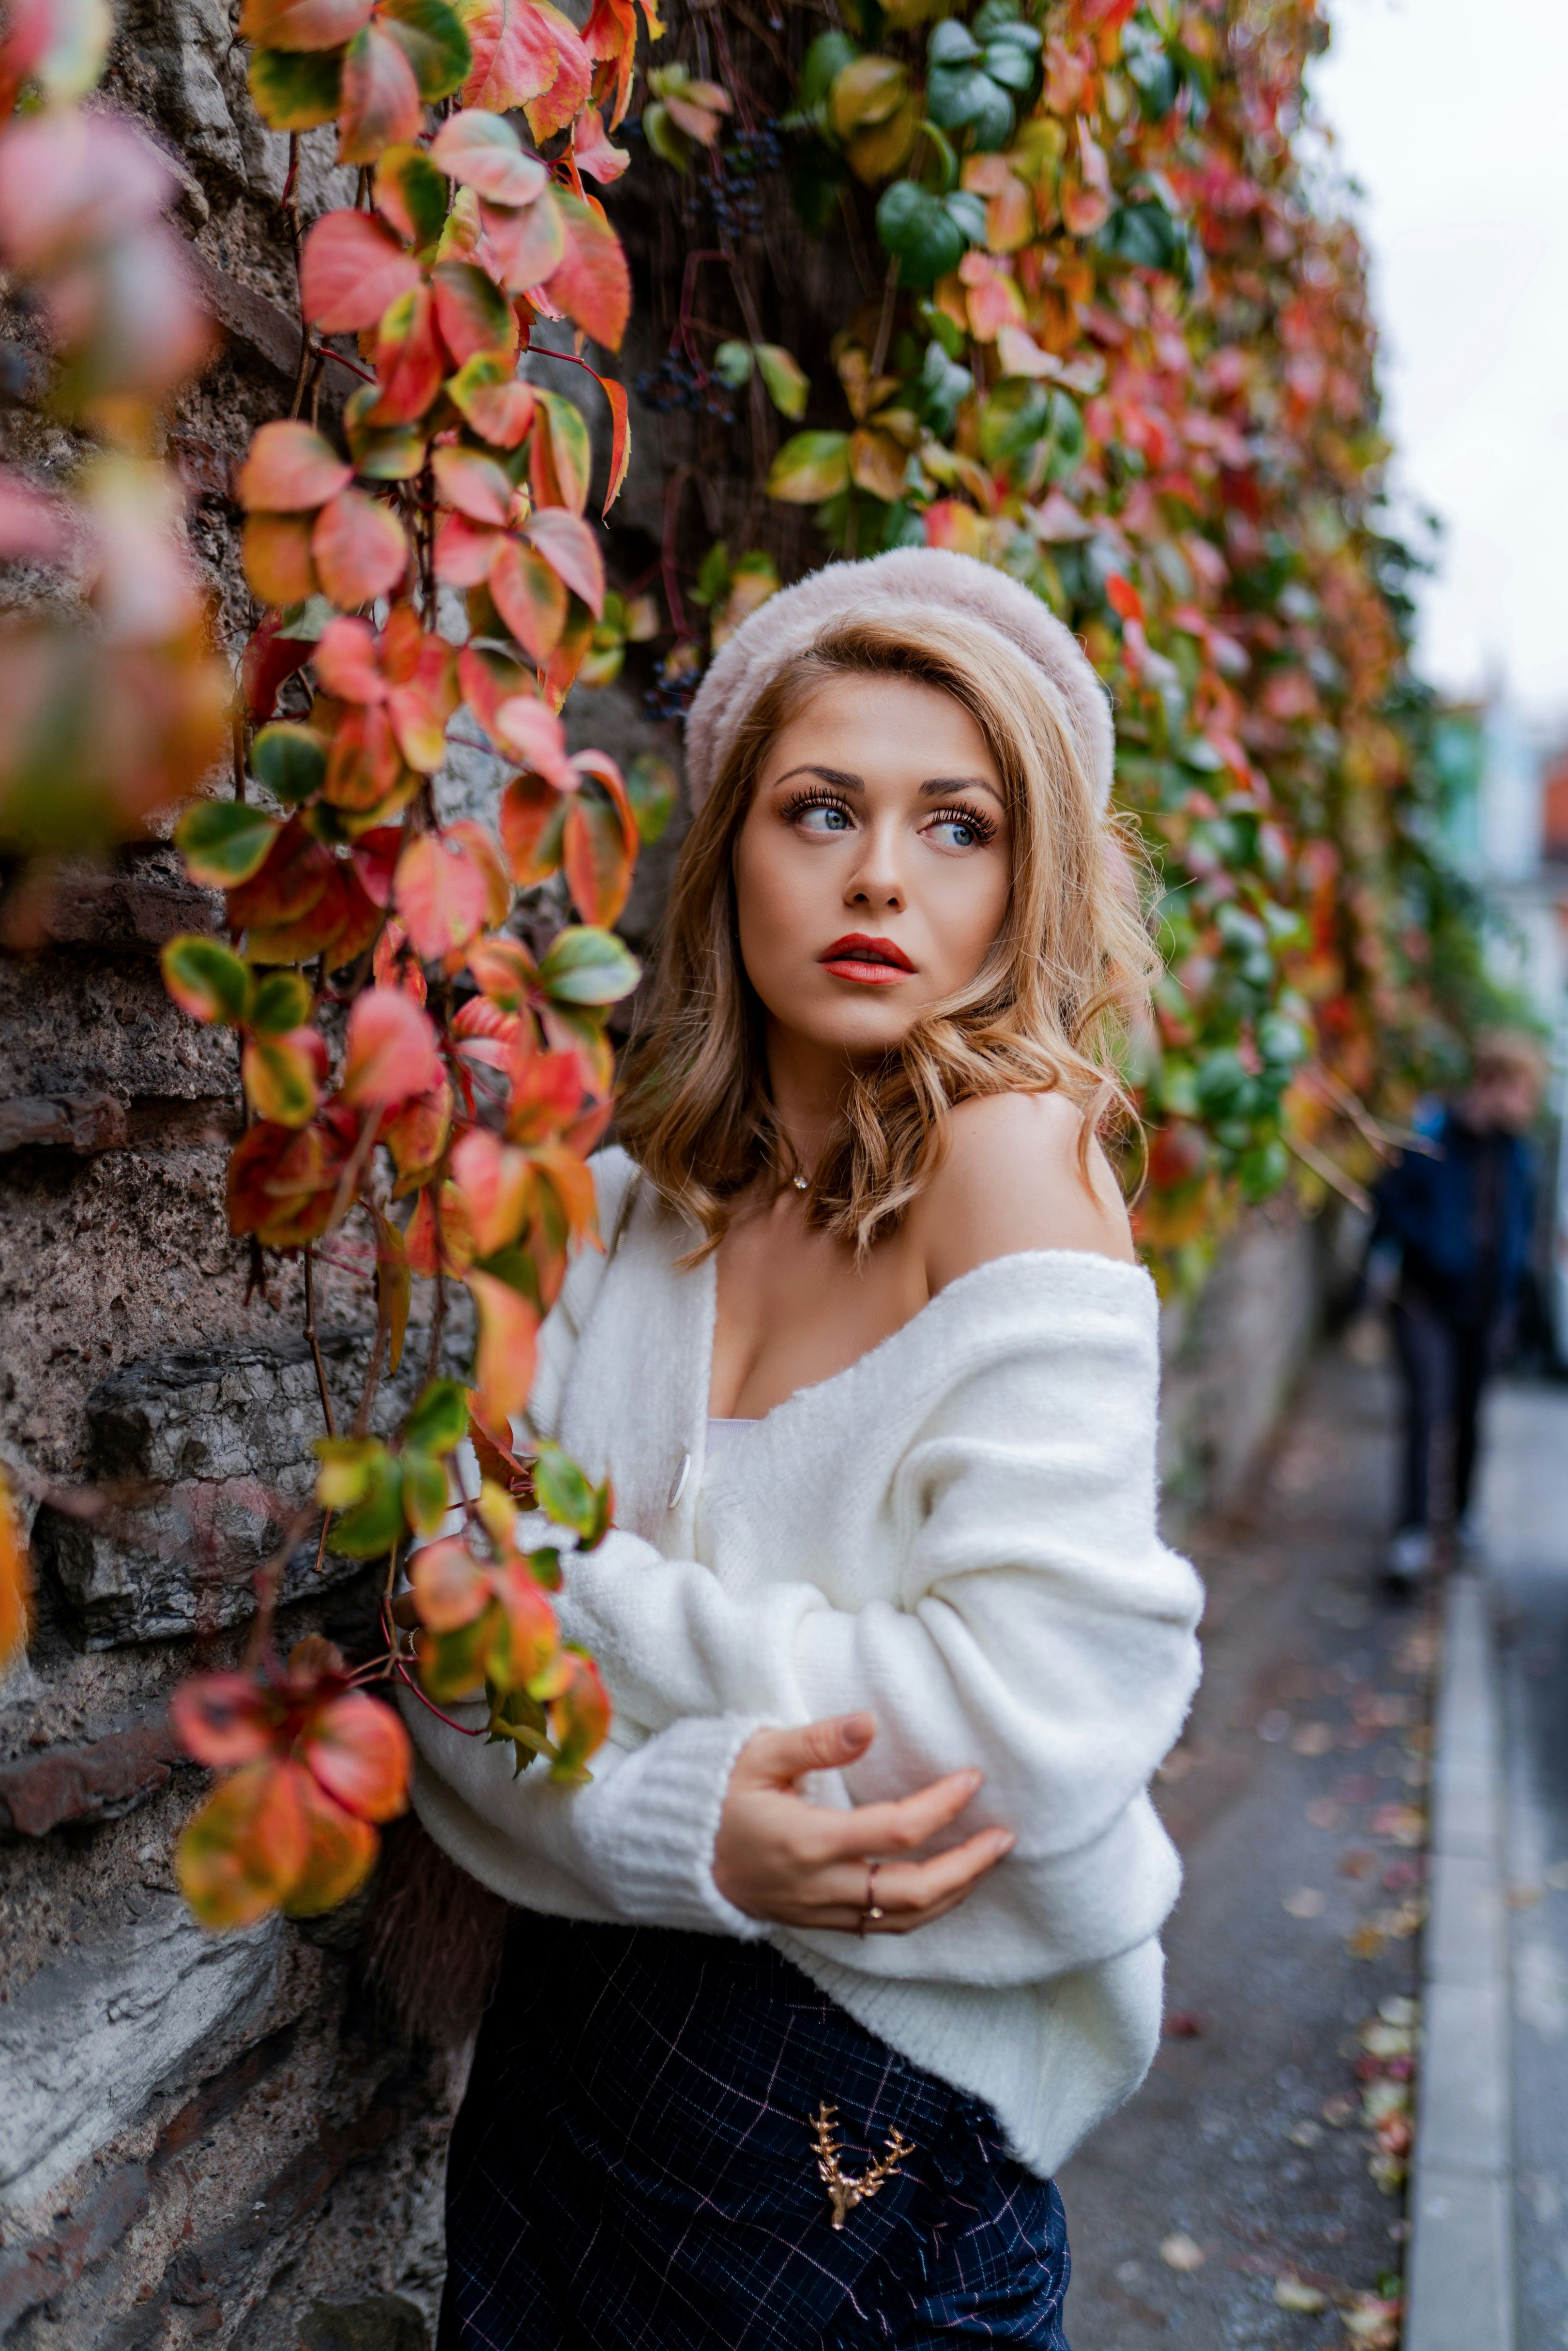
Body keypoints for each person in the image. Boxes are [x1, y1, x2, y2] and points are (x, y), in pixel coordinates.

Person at [404, 548, 1205, 2351]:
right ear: (728, 855)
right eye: (819, 808)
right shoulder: (609, 1219)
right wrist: (678, 1826)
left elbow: (1027, 1720)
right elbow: (437, 1655)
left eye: (957, 827)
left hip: (862, 2136)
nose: (876, 876)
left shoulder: (1016, 1159)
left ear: (1024, 887)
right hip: (566, 2078)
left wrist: (568, 1605)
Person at [1370, 1029, 1544, 1585]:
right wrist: (1428, 1249)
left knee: (1470, 1416)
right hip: (1424, 1301)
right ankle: (1413, 1535)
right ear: (1491, 1083)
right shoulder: (1430, 1136)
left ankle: (1462, 1520)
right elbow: (1387, 1202)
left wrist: (1515, 1297)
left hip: (1487, 1308)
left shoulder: (1518, 1156)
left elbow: (1523, 1228)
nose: (1527, 1105)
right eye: (1521, 1091)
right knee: (1426, 1410)